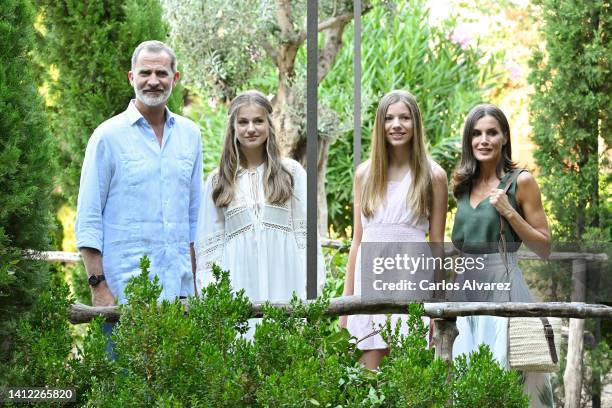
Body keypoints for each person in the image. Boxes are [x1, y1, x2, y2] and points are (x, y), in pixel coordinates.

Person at [75, 40, 203, 309]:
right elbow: (88, 218)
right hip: (123, 298)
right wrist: (99, 287)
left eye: (162, 73)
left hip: (180, 296)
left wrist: (195, 285)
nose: (153, 81)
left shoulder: (190, 136)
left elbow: (194, 219)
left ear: (175, 78)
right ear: (132, 77)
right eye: (145, 73)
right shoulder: (107, 137)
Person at [194, 90, 324, 335]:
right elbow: (209, 248)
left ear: (268, 125)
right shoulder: (218, 181)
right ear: (233, 127)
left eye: (258, 121)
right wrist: (214, 296)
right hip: (238, 283)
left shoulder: (291, 174)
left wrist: (312, 291)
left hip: (286, 280)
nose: (250, 128)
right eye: (243, 122)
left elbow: (306, 238)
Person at [451, 104, 553, 407]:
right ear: (469, 140)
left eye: (492, 133)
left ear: (505, 137)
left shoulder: (521, 181)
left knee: (511, 379)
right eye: (477, 133)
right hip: (465, 291)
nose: (484, 140)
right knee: (466, 380)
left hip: (503, 287)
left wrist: (510, 213)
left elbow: (544, 247)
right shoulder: (463, 185)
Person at [339, 90, 448, 370]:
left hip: (410, 281)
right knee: (367, 379)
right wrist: (346, 307)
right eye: (389, 118)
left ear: (416, 123)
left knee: (405, 380)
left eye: (404, 117)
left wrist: (436, 306)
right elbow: (357, 243)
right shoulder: (365, 174)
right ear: (380, 125)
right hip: (369, 285)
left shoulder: (433, 176)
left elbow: (437, 244)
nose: (396, 124)